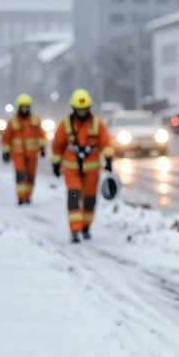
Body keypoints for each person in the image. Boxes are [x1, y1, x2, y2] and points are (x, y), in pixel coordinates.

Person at [50, 89, 113, 243]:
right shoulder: (66, 125)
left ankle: (86, 227)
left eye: (84, 109)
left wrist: (109, 159)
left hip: (92, 170)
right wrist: (56, 164)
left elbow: (106, 143)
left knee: (89, 200)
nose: (82, 112)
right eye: (79, 109)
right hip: (71, 169)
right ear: (74, 108)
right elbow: (57, 145)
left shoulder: (98, 124)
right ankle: (75, 230)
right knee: (74, 195)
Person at [2, 93, 46, 205]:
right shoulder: (13, 121)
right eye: (23, 107)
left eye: (26, 107)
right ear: (19, 107)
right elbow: (7, 137)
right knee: (21, 174)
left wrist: (42, 148)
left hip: (32, 154)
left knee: (31, 176)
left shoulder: (35, 120)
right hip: (18, 153)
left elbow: (41, 135)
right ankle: (21, 197)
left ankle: (28, 196)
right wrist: (6, 151)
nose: (24, 109)